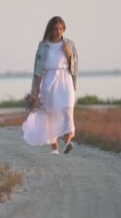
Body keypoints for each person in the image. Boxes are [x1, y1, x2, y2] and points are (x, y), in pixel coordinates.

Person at [23, 16, 78, 155]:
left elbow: (75, 66)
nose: (58, 31)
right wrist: (35, 88)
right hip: (49, 79)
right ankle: (54, 147)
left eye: (61, 28)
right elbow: (38, 67)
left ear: (63, 29)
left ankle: (67, 142)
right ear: (51, 29)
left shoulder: (69, 44)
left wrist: (69, 55)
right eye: (55, 29)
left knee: (67, 110)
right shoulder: (43, 45)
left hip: (66, 79)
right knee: (50, 113)